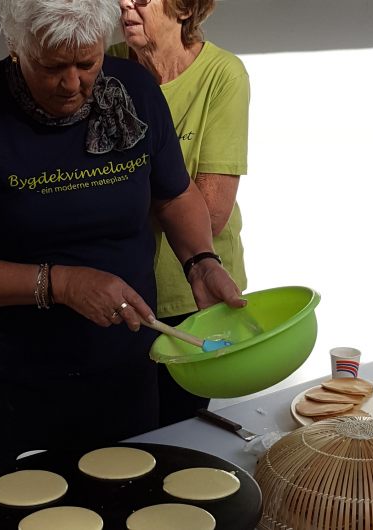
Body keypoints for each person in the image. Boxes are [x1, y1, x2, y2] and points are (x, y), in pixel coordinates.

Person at [0, 0, 245, 484]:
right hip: (8, 385)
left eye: (87, 63)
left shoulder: (135, 90)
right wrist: (60, 284)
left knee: (128, 501)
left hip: (123, 370)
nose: (71, 83)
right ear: (15, 46)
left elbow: (174, 194)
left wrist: (200, 259)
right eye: (51, 66)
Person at [108, 0, 250, 426]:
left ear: (184, 8)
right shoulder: (104, 66)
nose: (125, 3)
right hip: (119, 289)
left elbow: (211, 214)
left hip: (194, 288)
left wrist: (117, 193)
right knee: (119, 434)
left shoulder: (223, 75)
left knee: (177, 431)